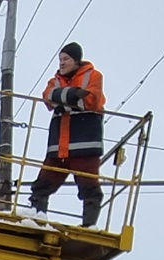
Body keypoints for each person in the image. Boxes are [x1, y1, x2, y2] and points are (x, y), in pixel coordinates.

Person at [28, 42, 106, 227]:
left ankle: (89, 225)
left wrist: (62, 98)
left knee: (89, 187)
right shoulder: (54, 80)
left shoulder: (93, 75)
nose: (61, 63)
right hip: (59, 148)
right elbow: (47, 98)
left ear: (76, 60)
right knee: (41, 185)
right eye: (60, 59)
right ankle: (37, 219)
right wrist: (73, 95)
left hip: (84, 144)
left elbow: (92, 100)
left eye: (66, 59)